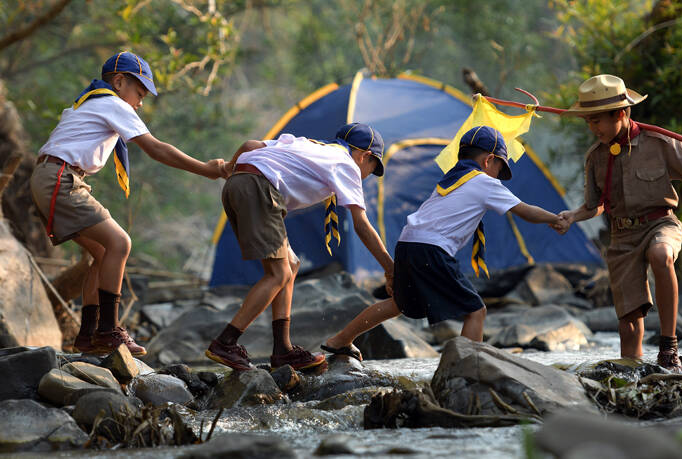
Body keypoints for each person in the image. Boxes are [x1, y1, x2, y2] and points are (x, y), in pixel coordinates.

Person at [30, 51, 227, 357]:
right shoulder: (111, 102)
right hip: (59, 177)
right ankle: (109, 331)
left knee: (102, 253)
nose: (141, 102)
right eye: (140, 92)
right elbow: (157, 149)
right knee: (120, 243)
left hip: (53, 176)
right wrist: (206, 169)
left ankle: (88, 336)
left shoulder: (96, 102)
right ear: (120, 82)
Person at [322, 126, 567, 361]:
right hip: (431, 250)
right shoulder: (484, 182)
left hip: (408, 243)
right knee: (475, 311)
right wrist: (554, 218)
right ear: (489, 160)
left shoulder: (451, 180)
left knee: (398, 304)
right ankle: (467, 368)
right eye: (499, 168)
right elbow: (525, 211)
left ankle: (340, 340)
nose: (498, 176)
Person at [557, 74, 682, 369]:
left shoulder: (659, 142)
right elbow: (595, 206)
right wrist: (573, 216)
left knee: (661, 255)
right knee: (628, 324)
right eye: (588, 122)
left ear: (620, 113)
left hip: (661, 224)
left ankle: (668, 346)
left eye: (597, 120)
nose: (592, 128)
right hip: (622, 238)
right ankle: (634, 374)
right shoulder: (595, 157)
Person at [206, 123, 394, 371]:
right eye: (372, 168)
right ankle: (226, 342)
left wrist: (229, 168)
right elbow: (361, 224)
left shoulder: (309, 144)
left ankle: (282, 350)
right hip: (259, 188)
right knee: (279, 273)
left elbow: (250, 145)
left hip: (238, 184)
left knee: (291, 264)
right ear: (365, 156)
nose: (368, 174)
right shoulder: (347, 164)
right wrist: (391, 269)